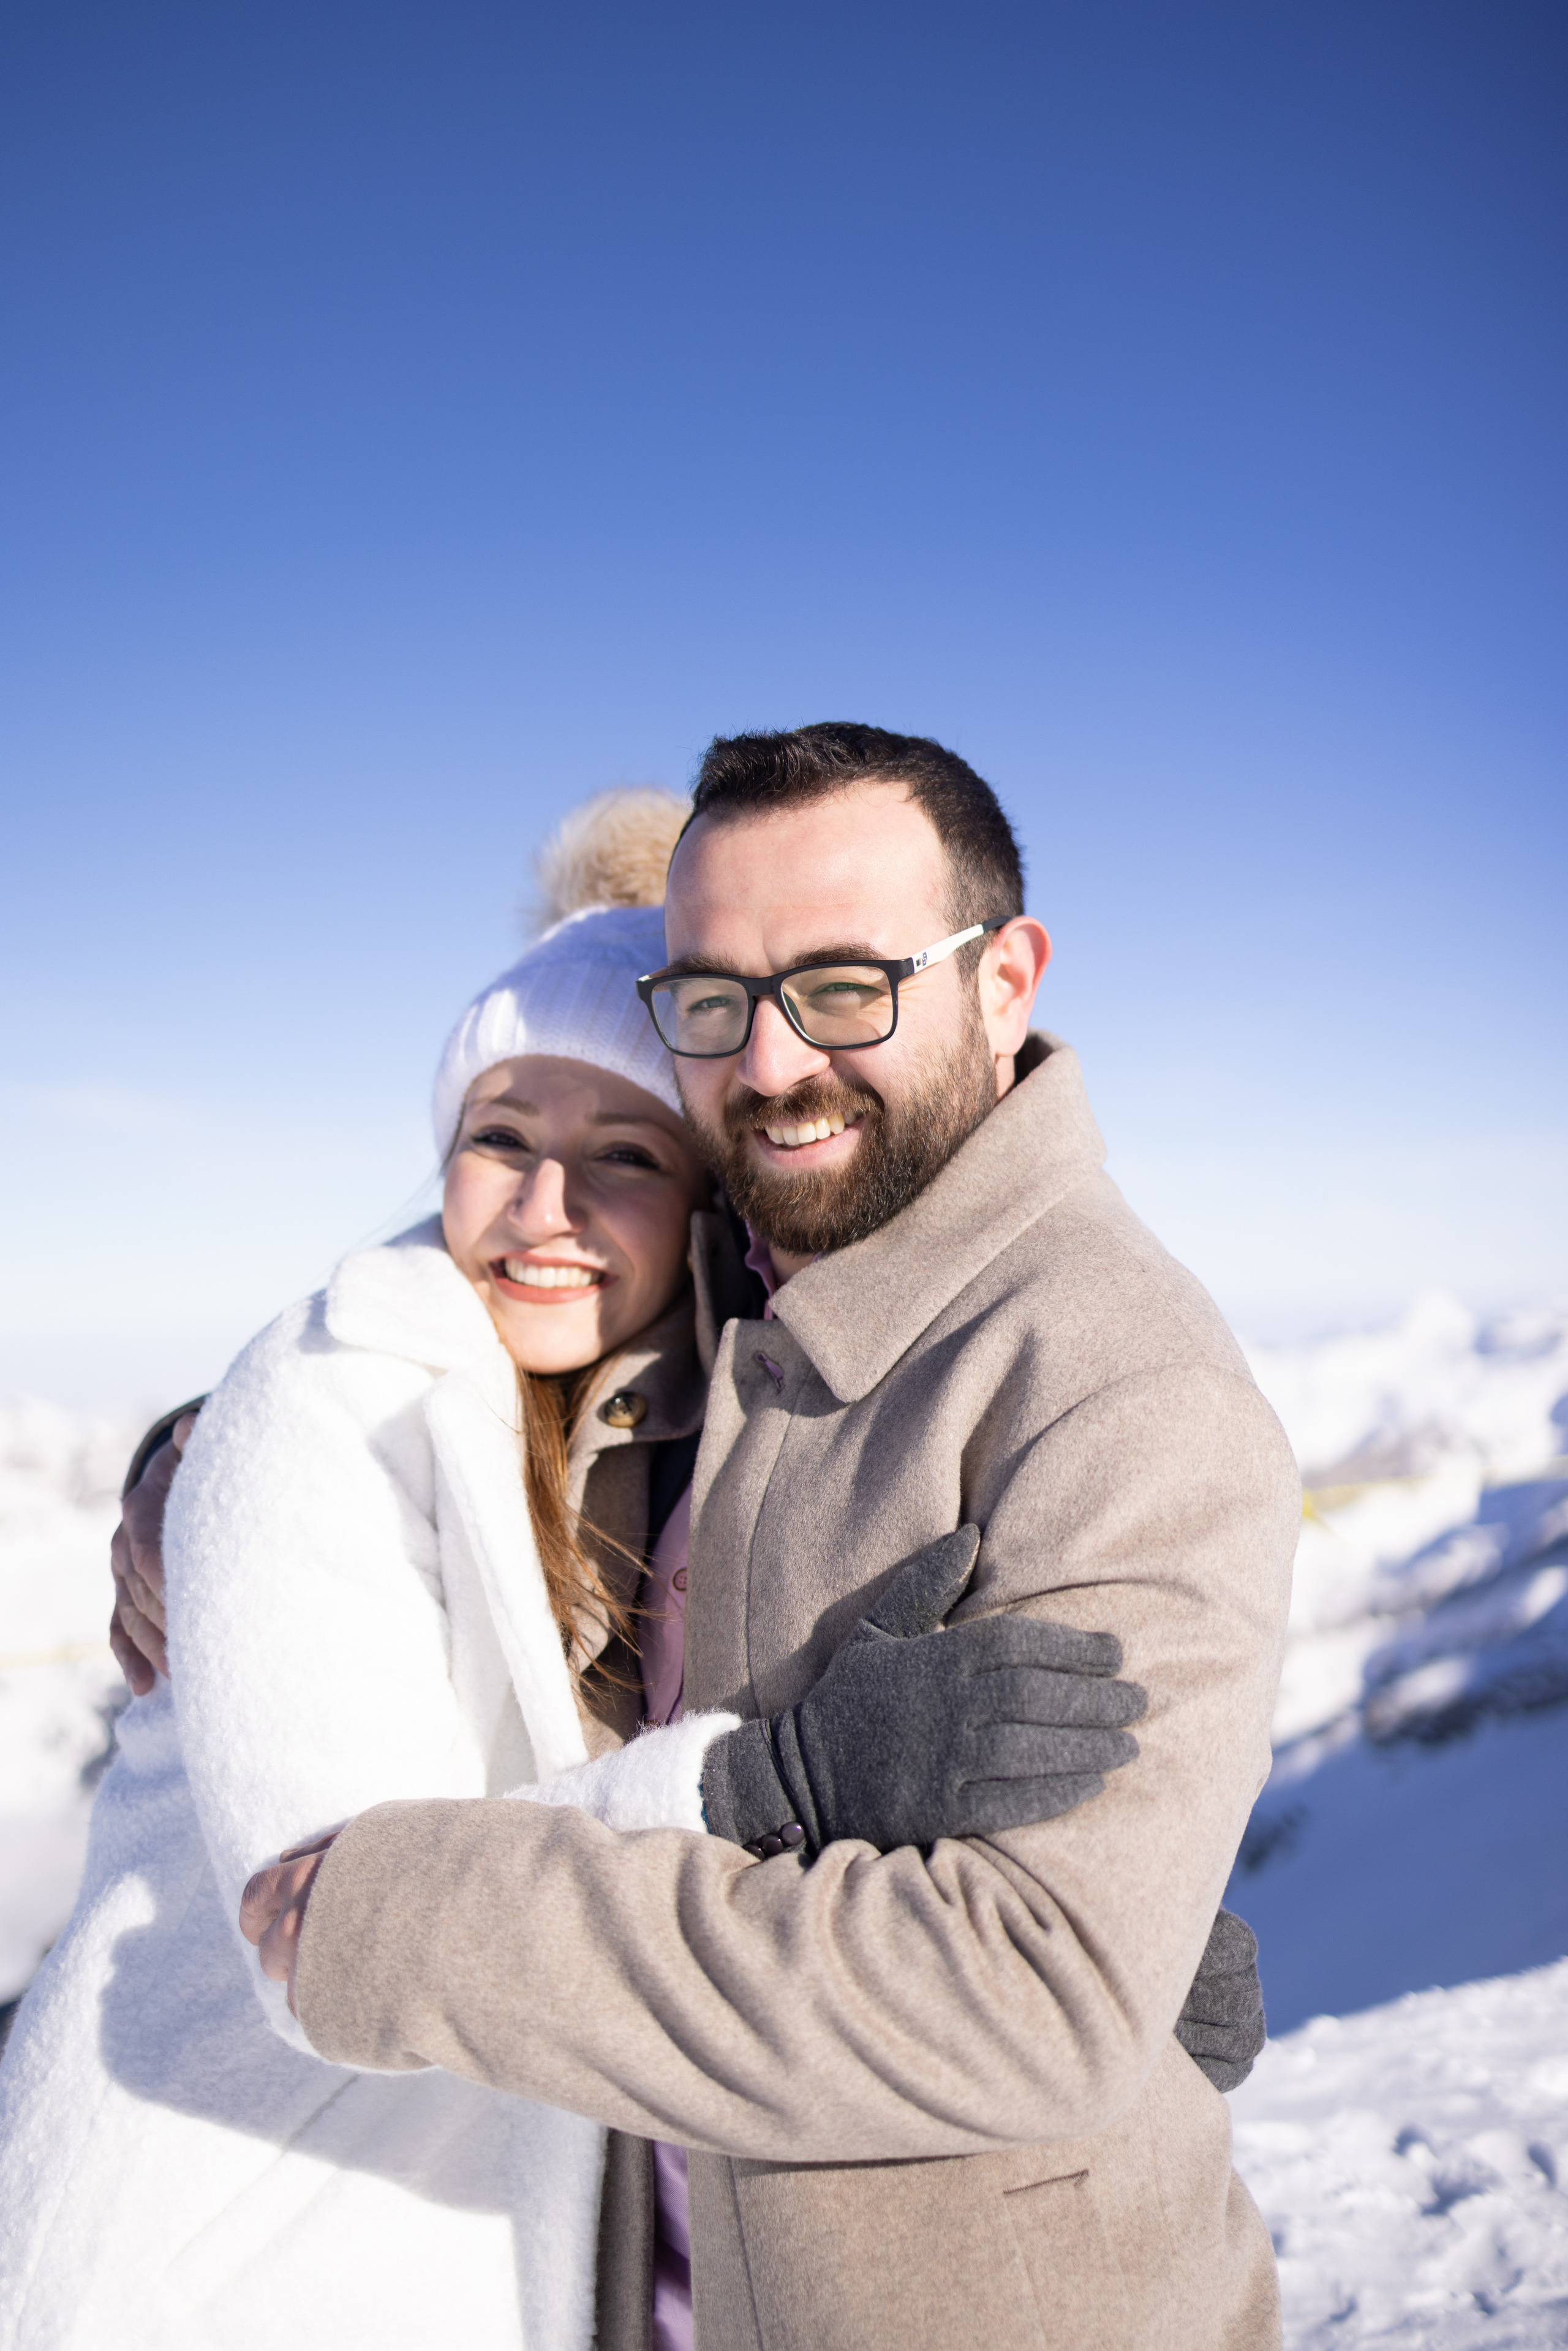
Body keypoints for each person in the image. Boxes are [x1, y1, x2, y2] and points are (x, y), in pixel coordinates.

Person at [0, 790, 1176, 2351]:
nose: (545, 1207)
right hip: (211, 2232)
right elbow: (329, 1911)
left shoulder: (678, 1424)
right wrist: (766, 1784)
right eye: (500, 1135)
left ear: (702, 1213)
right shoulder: (324, 1403)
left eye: (624, 1152)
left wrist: (1108, 1929)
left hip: (466, 2231)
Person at [241, 723, 1299, 2351]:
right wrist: (225, 1436)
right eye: (713, 999)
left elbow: (1024, 1993)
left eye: (845, 986)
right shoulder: (754, 1260)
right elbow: (525, 1227)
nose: (772, 1061)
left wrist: (418, 1918)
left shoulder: (1116, 1384)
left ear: (1003, 981)